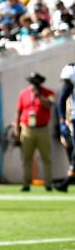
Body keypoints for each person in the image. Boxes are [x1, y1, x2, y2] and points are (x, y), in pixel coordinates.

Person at [15, 72, 55, 192]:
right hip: (27, 129)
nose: (35, 85)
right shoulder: (23, 93)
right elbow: (18, 112)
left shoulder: (49, 93)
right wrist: (17, 129)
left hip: (42, 129)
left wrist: (40, 97)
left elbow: (49, 105)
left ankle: (48, 183)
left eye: (37, 83)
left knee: (46, 157)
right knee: (27, 158)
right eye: (33, 82)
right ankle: (26, 183)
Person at [56, 62, 75, 191]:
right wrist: (62, 121)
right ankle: (70, 176)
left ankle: (69, 178)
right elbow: (61, 100)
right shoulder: (70, 85)